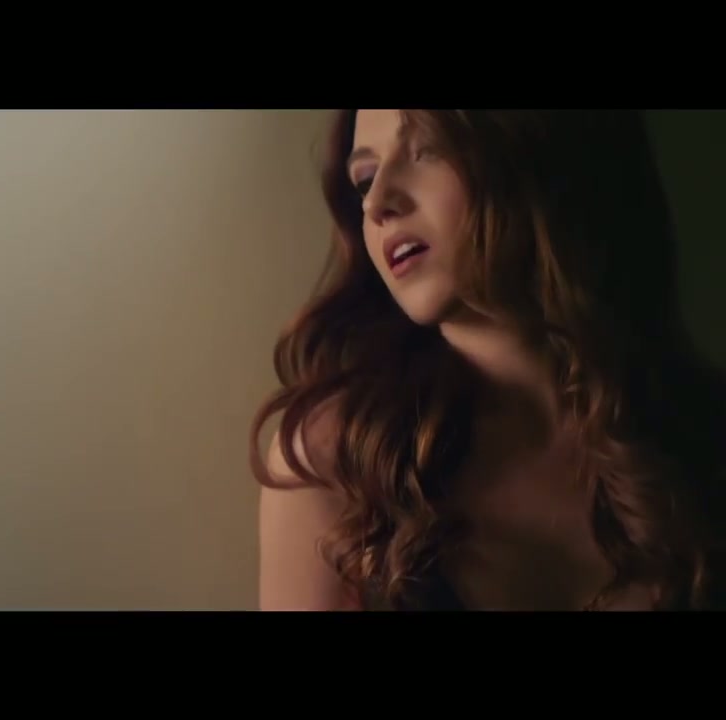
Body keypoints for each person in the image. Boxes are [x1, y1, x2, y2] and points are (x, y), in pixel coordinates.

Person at [249, 110, 726, 611]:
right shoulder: (335, 460)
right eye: (364, 179)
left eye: (427, 148)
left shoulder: (702, 436)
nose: (377, 202)